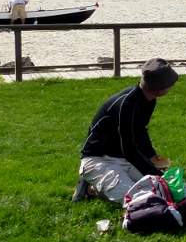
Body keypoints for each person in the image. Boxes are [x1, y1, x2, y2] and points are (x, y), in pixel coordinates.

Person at [74, 58, 178, 203]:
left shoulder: (149, 100)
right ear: (157, 87)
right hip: (99, 159)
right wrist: (156, 174)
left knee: (162, 191)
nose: (171, 86)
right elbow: (128, 148)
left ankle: (104, 184)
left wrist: (151, 156)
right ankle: (91, 188)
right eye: (169, 84)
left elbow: (140, 130)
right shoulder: (126, 104)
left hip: (123, 158)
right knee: (137, 199)